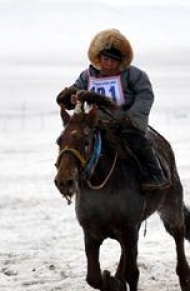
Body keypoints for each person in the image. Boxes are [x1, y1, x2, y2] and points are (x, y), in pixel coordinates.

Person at [62, 29, 169, 191]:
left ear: (121, 61)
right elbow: (76, 89)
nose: (110, 63)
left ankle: (156, 175)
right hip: (95, 123)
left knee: (139, 142)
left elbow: (145, 94)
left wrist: (133, 117)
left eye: (114, 60)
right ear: (99, 58)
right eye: (106, 59)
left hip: (124, 122)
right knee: (73, 142)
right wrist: (69, 97)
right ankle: (70, 176)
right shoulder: (88, 75)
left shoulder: (134, 74)